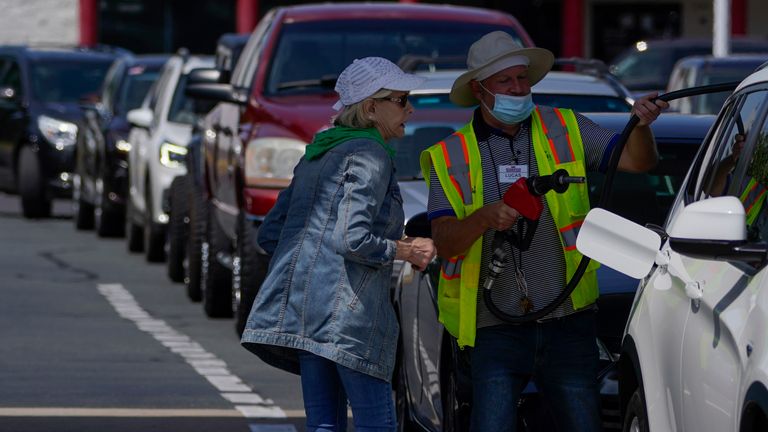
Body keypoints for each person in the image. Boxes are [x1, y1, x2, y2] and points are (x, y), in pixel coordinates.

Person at [420, 31, 667, 431]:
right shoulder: (451, 155)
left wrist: (639, 125)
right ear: (480, 90)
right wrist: (483, 218)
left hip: (567, 321)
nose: (518, 89)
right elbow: (445, 242)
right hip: (494, 330)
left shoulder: (564, 126)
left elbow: (639, 162)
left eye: (522, 78)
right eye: (505, 82)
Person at [240, 56, 437, 432]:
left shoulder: (321, 150)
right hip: (351, 314)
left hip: (306, 311)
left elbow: (271, 233)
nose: (409, 108)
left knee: (324, 424)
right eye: (401, 99)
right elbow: (352, 238)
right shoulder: (371, 153)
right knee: (376, 423)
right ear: (371, 107)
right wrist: (407, 248)